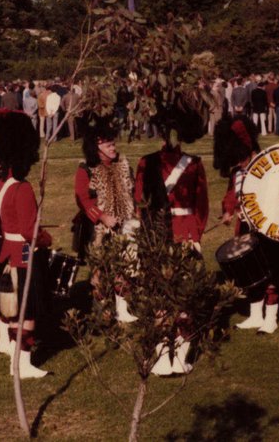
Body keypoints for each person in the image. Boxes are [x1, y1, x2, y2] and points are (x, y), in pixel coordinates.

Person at [0, 110, 53, 378]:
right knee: (26, 309)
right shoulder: (23, 188)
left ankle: (11, 350)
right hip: (22, 251)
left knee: (9, 304)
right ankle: (23, 364)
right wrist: (46, 238)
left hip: (4, 251)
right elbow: (29, 231)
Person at [216, 115, 279, 335]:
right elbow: (231, 195)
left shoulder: (269, 165)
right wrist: (228, 211)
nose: (238, 162)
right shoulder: (236, 171)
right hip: (246, 229)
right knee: (250, 274)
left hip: (269, 228)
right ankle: (255, 315)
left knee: (270, 275)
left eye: (240, 157)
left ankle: (270, 318)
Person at [133, 102, 208, 376]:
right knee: (184, 300)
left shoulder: (145, 162)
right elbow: (202, 207)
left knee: (160, 297)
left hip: (156, 234)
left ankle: (162, 357)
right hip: (186, 233)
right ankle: (178, 355)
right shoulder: (194, 164)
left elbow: (139, 203)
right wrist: (195, 234)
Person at [74, 116, 136, 322]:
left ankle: (123, 309)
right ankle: (102, 311)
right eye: (108, 144)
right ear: (96, 146)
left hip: (125, 225)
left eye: (113, 143)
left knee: (124, 267)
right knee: (99, 272)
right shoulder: (86, 169)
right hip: (98, 231)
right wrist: (102, 216)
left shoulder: (124, 164)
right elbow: (82, 199)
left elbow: (133, 192)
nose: (113, 146)